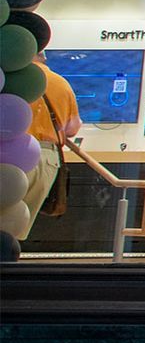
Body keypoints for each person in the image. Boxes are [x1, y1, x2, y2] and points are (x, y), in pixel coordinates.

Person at [21, 52, 82, 239]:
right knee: (21, 224)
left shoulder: (14, 80)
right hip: (47, 158)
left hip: (13, 152)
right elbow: (72, 128)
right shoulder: (61, 83)